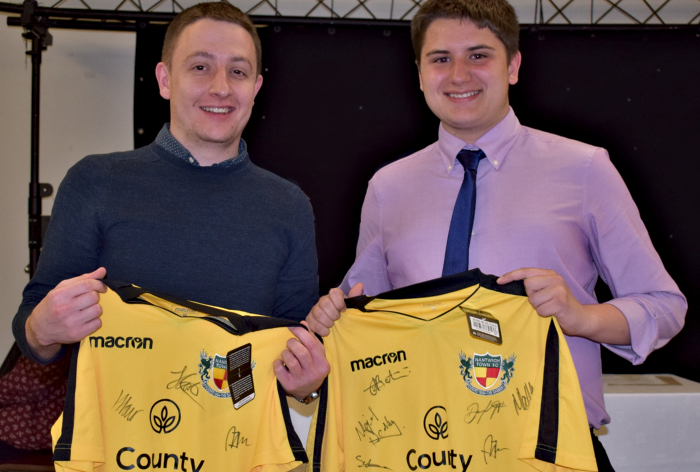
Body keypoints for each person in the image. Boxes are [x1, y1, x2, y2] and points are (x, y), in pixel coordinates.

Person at [306, 0, 687, 467]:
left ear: (514, 66)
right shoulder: (388, 187)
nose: (459, 75)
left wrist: (581, 317)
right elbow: (367, 312)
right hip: (418, 448)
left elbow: (665, 307)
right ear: (420, 74)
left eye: (479, 55)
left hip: (547, 450)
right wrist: (333, 319)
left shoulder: (585, 168)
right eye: (440, 58)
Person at [12, 2, 328, 401]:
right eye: (200, 67)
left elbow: (289, 347)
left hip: (238, 444)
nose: (221, 86)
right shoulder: (95, 182)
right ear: (164, 79)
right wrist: (42, 330)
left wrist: (306, 384)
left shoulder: (289, 206)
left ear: (256, 88)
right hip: (116, 441)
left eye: (238, 71)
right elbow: (35, 325)